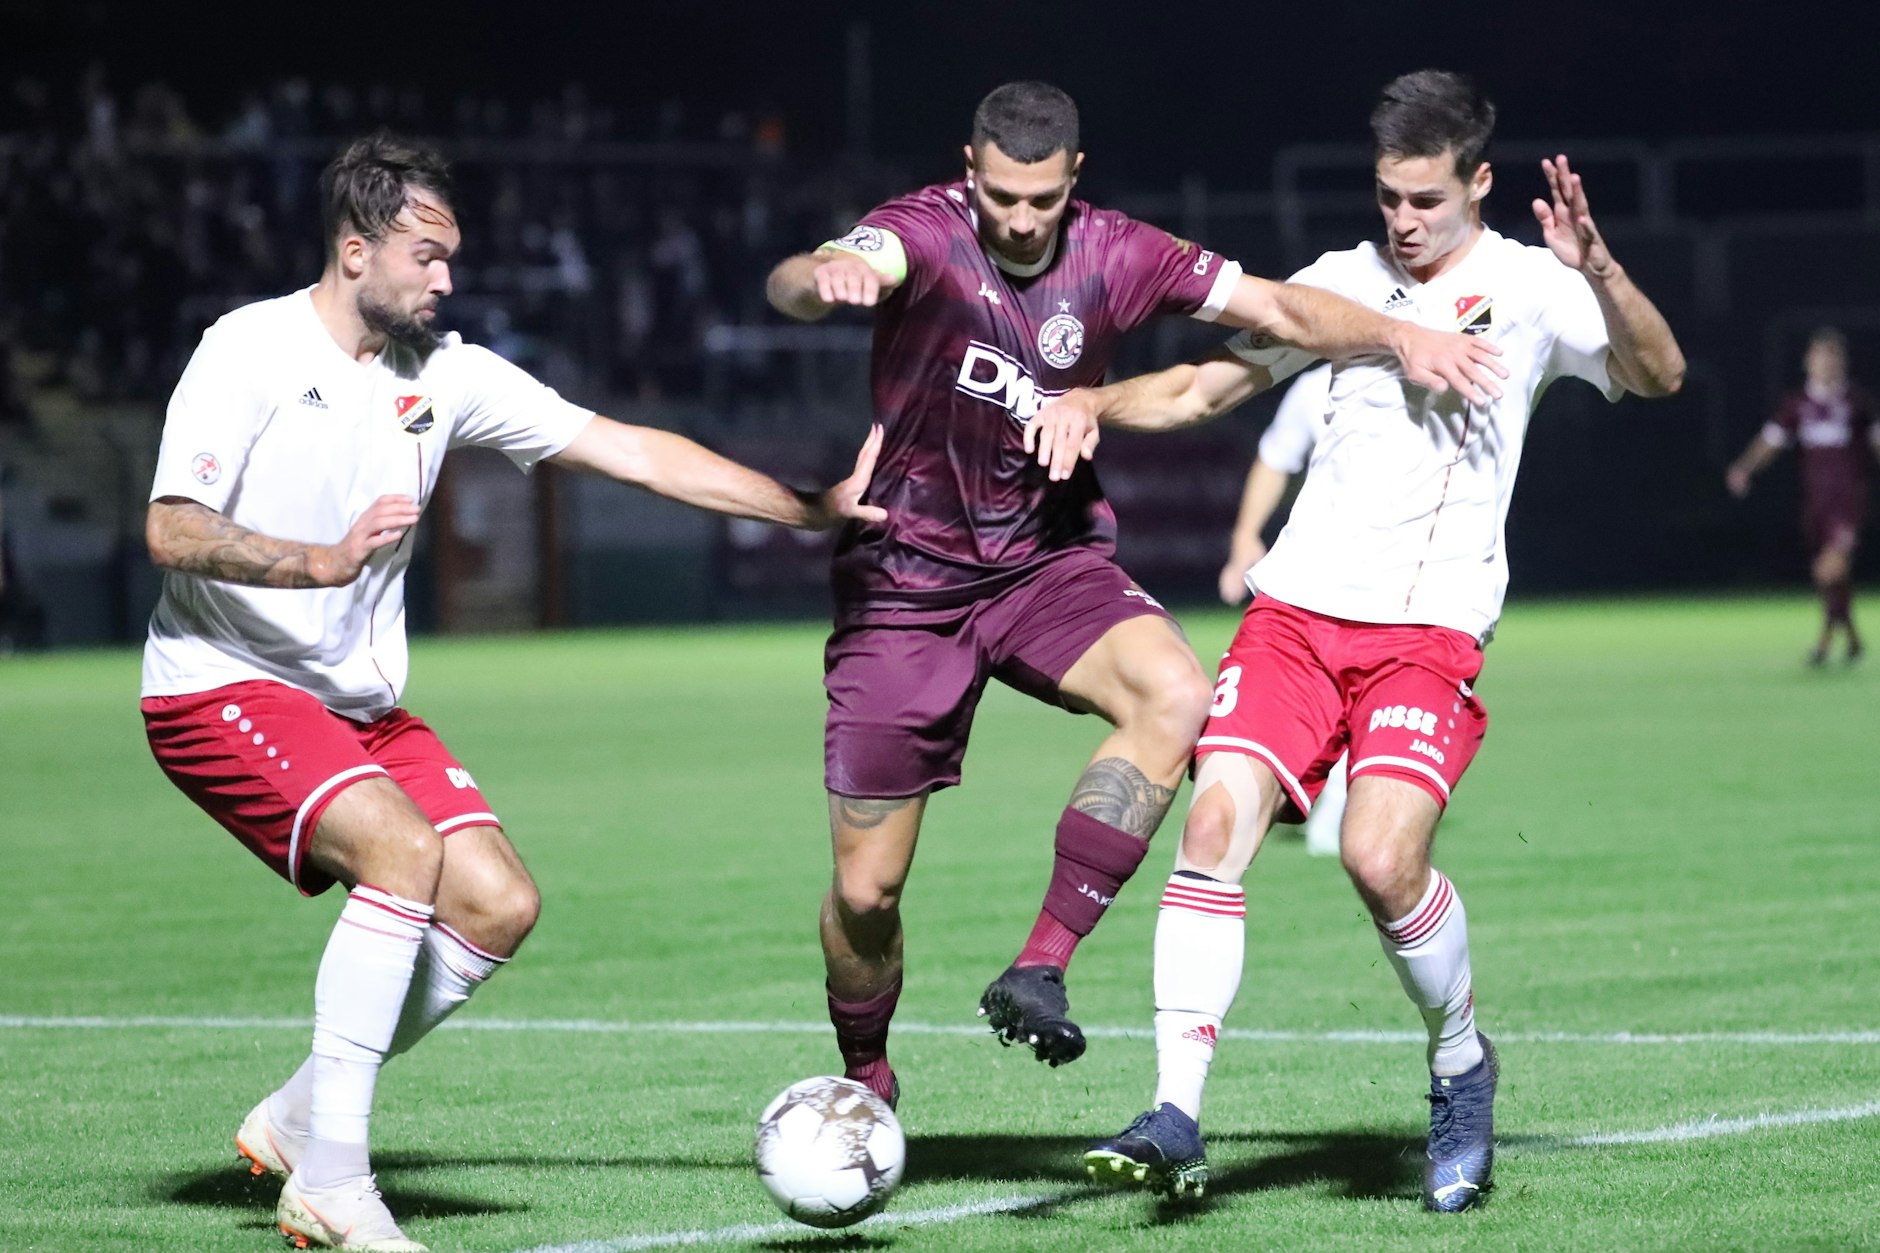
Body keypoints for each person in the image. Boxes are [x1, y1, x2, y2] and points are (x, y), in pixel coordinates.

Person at [140, 133, 883, 1253]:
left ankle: (297, 1117)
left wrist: (807, 507)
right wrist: (317, 562)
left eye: (451, 256)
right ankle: (333, 1181)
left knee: (495, 902)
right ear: (356, 249)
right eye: (426, 256)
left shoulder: (446, 375)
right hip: (222, 682)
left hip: (354, 703)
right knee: (403, 855)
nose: (447, 278)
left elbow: (630, 451)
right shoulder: (246, 349)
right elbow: (171, 528)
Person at [764, 80, 1503, 1109]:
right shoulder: (920, 233)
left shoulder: (1119, 250)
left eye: (1042, 200)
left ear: (1075, 178)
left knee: (1178, 693)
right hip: (905, 581)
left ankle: (1041, 962)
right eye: (1001, 198)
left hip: (1045, 563)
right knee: (865, 891)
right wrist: (823, 275)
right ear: (969, 172)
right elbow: (805, 279)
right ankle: (866, 1075)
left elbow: (1277, 308)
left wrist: (1399, 334)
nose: (1022, 221)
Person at [1027, 70, 1684, 1210]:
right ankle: (1174, 1112)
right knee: (1214, 821)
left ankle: (1460, 1062)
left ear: (1479, 182)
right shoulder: (1339, 283)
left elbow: (1659, 373)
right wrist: (1094, 402)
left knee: (1380, 859)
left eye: (1427, 199)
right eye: (1389, 197)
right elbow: (1200, 388)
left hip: (1426, 631)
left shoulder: (1535, 287)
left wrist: (1601, 270)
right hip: (1294, 615)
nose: (1404, 220)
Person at [1216, 366, 1346, 856]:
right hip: (1323, 569)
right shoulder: (1316, 389)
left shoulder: (1430, 377)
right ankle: (1317, 795)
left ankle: (1336, 805)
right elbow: (1275, 457)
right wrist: (1245, 537)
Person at [1726, 327, 1878, 664]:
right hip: (1816, 503)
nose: (1827, 364)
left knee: (1828, 571)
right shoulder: (1797, 405)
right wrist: (1744, 468)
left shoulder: (1856, 402)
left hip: (1848, 501)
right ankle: (1853, 638)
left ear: (1842, 363)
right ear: (1808, 362)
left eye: (1833, 357)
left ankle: (1824, 643)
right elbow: (1771, 442)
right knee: (1833, 578)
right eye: (1820, 357)